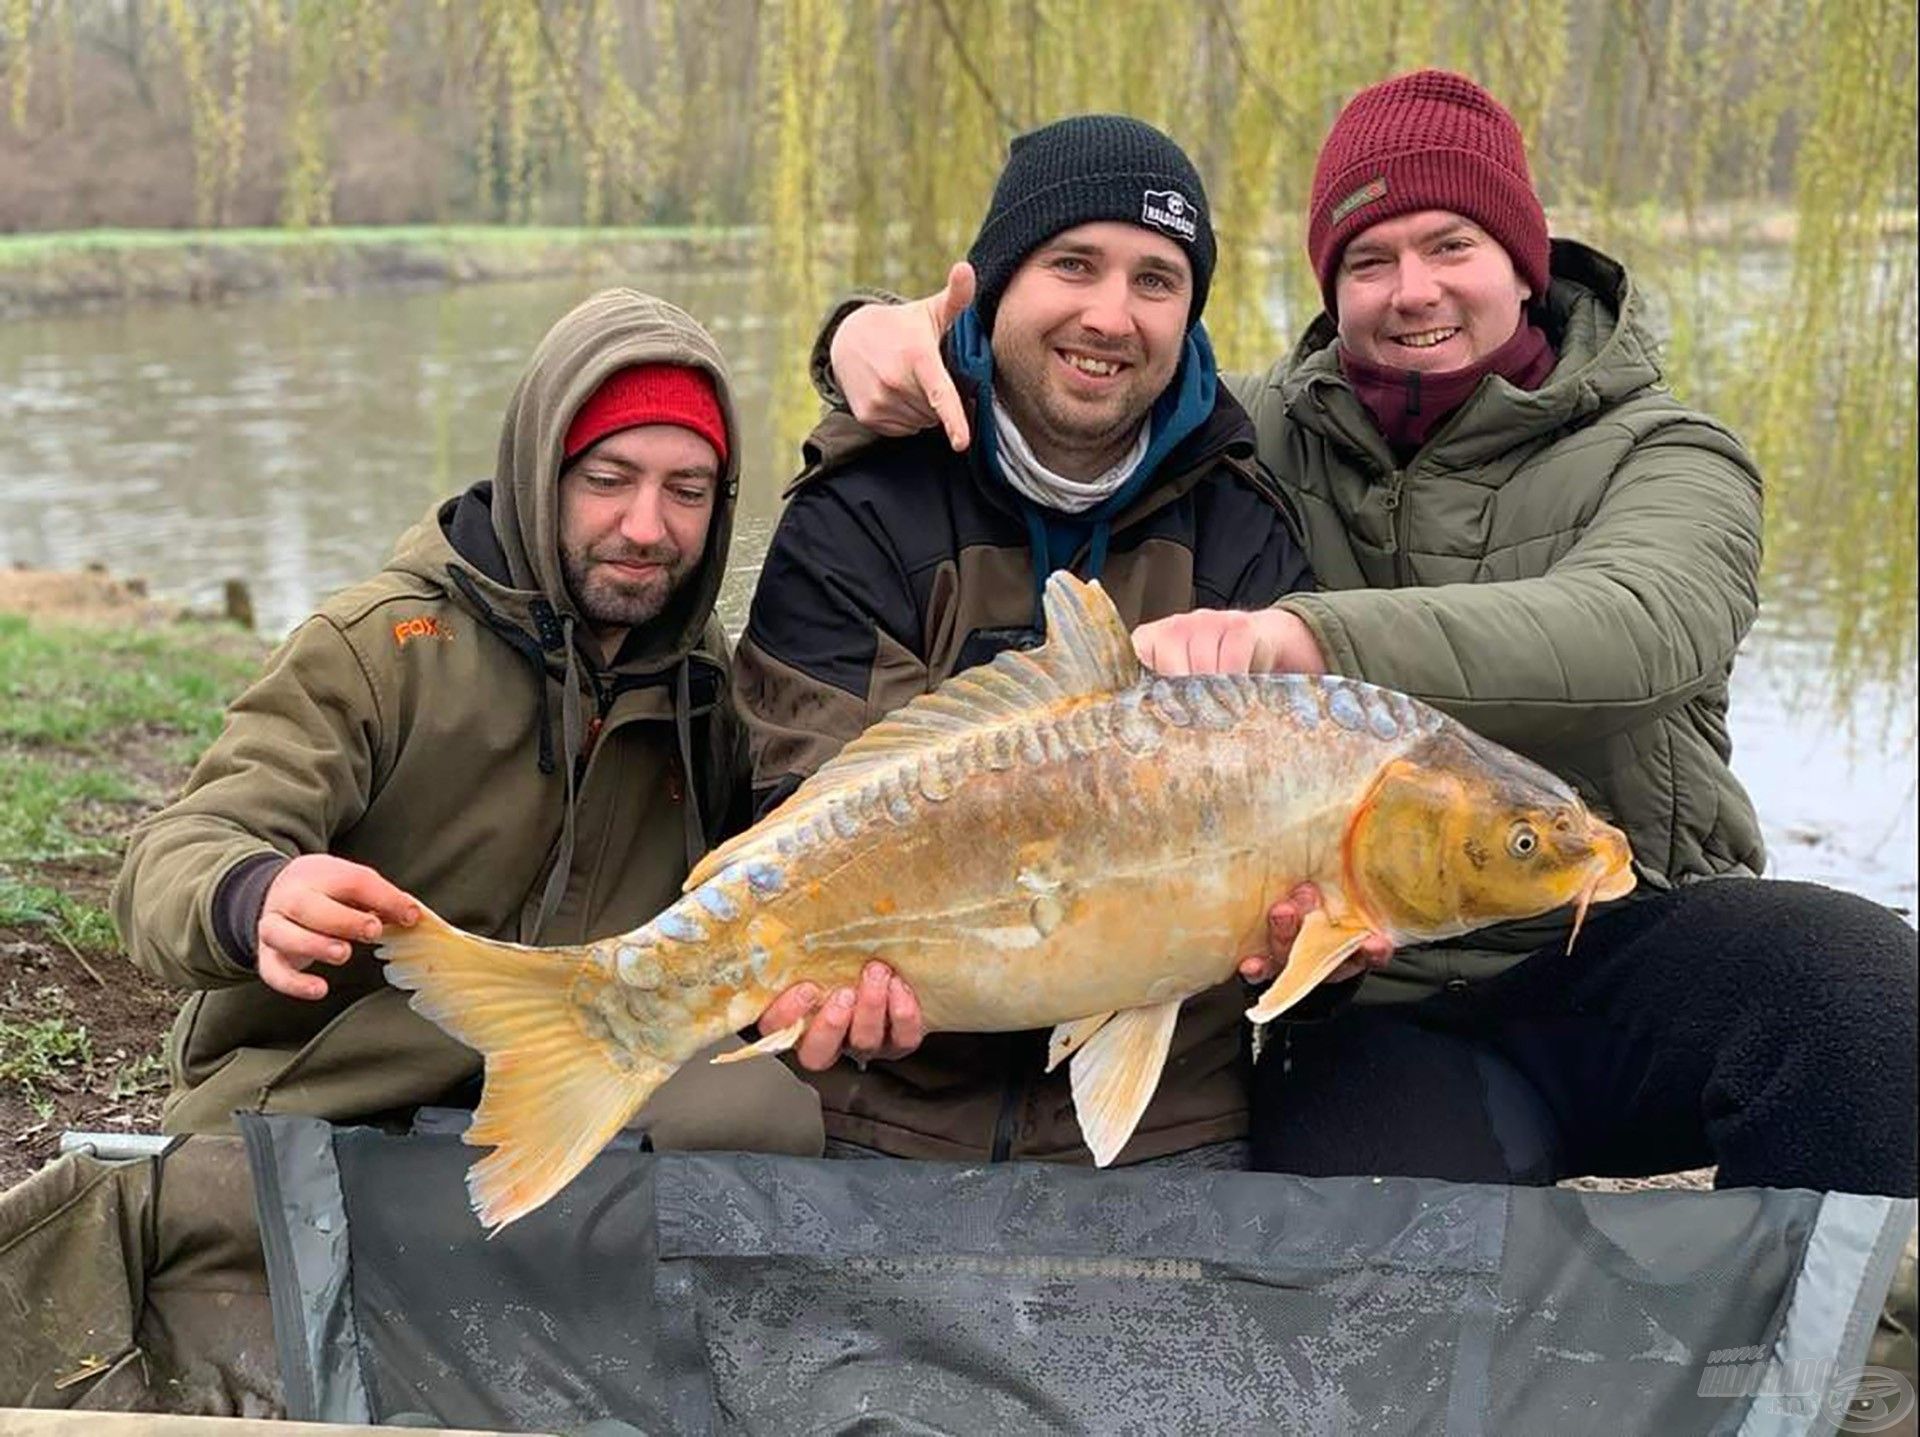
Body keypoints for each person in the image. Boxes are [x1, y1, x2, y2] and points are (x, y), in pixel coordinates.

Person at [814, 73, 1918, 1199]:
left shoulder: (1670, 453)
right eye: (1367, 260)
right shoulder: (1264, 435)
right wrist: (866, 336)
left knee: (1863, 989)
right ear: (1330, 288)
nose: (1412, 291)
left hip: (1626, 947)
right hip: (1386, 1001)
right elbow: (1087, 374)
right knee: (1381, 1234)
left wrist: (1306, 635)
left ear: (1525, 263)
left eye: (1451, 246)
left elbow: (1638, 633)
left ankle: (1824, 1359)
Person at [734, 114, 1320, 1166]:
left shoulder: (1246, 527)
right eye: (1075, 265)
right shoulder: (859, 506)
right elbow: (803, 797)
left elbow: (1294, 824)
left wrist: (1309, 940)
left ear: (1189, 314)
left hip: (1167, 1122)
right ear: (998, 280)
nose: (1112, 315)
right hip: (881, 1108)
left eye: (1156, 281)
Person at [113, 287, 822, 1154]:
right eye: (607, 480)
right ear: (539, 472)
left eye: (688, 490)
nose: (647, 527)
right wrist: (256, 895)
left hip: (576, 1058)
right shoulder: (379, 646)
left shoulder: (703, 678)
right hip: (348, 1080)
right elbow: (176, 851)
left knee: (768, 1118)